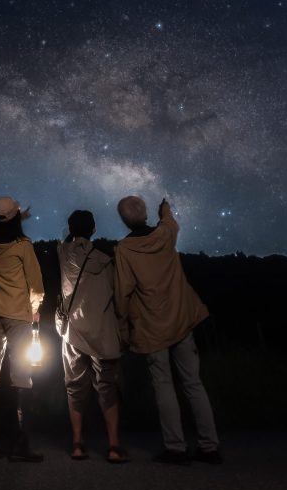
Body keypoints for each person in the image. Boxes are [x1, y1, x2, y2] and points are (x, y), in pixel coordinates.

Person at [114, 196, 222, 465]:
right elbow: (170, 221)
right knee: (193, 383)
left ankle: (175, 448)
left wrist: (123, 326)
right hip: (182, 320)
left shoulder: (124, 250)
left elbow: (123, 292)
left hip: (151, 326)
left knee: (163, 385)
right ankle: (210, 447)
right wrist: (164, 208)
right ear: (145, 213)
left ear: (123, 220)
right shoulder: (165, 234)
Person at [0, 195, 45, 462]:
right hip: (17, 313)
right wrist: (35, 308)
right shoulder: (23, 246)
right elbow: (36, 285)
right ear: (15, 218)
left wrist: (14, 217)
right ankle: (20, 446)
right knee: (21, 376)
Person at [57, 209, 127, 463]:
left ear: (70, 229)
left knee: (75, 387)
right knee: (107, 387)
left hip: (72, 332)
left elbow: (65, 239)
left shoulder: (63, 253)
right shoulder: (106, 261)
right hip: (102, 333)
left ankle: (77, 444)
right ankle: (114, 446)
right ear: (94, 229)